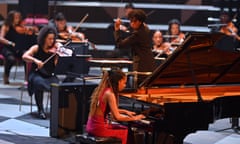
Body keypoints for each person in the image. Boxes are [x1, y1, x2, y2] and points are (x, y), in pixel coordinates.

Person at [86, 70, 145, 144]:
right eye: (124, 83)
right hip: (99, 129)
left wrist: (125, 111)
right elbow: (117, 117)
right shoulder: (110, 94)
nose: (125, 85)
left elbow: (110, 109)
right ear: (119, 81)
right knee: (126, 131)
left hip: (91, 126)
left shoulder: (104, 90)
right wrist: (135, 118)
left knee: (123, 128)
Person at [22, 25, 60, 119]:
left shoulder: (55, 50)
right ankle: (40, 109)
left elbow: (56, 66)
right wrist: (35, 60)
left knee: (57, 85)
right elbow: (24, 56)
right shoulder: (36, 48)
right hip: (36, 74)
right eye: (49, 39)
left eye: (53, 39)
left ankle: (55, 109)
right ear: (44, 38)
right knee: (39, 83)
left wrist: (59, 55)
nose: (52, 41)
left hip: (49, 75)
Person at [114, 9, 156, 84]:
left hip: (142, 66)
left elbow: (120, 45)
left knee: (139, 88)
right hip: (149, 63)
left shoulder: (137, 34)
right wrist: (126, 30)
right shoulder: (145, 27)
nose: (131, 23)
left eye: (133, 21)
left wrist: (117, 29)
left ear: (139, 22)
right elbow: (133, 32)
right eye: (130, 21)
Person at [0, 10, 38, 84]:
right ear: (11, 18)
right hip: (8, 48)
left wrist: (31, 30)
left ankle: (27, 78)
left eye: (19, 17)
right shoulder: (6, 26)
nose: (18, 19)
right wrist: (10, 43)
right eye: (16, 17)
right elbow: (1, 38)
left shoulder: (21, 26)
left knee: (26, 56)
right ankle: (6, 75)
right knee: (11, 59)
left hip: (18, 48)